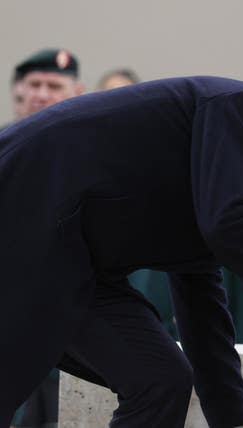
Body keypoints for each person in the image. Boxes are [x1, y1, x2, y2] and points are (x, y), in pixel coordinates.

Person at [0, 76, 243, 428]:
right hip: (26, 212)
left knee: (159, 377)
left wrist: (237, 423)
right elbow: (227, 224)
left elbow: (204, 320)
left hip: (75, 261)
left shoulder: (230, 195)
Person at [6, 47, 84, 428]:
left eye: (54, 85)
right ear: (18, 92)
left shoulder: (94, 161)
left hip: (74, 347)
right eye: (34, 84)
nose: (41, 93)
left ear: (77, 93)